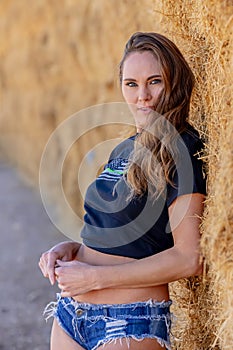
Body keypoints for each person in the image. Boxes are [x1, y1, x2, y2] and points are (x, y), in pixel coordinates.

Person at [39, 32, 206, 350]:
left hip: (129, 320)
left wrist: (94, 278)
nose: (142, 95)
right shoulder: (124, 150)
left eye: (154, 81)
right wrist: (71, 249)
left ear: (176, 83)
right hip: (72, 316)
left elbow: (189, 258)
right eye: (131, 84)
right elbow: (122, 237)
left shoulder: (183, 149)